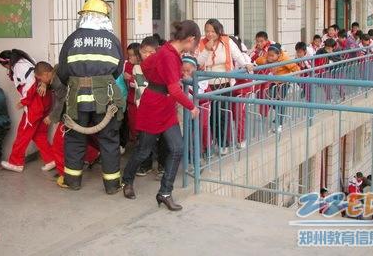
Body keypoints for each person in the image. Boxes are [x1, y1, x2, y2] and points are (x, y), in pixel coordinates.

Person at [122, 20, 201, 211]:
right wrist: (191, 107)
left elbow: (149, 67)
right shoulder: (167, 54)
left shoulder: (169, 52)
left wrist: (164, 79)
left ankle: (165, 192)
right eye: (195, 43)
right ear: (190, 39)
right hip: (154, 106)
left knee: (177, 148)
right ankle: (127, 180)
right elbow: (173, 89)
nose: (194, 48)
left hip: (165, 105)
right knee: (143, 150)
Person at [57, 0, 125, 193]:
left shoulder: (72, 39)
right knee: (109, 140)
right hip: (106, 99)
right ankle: (112, 185)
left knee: (75, 140)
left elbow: (62, 71)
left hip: (76, 99)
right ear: (104, 18)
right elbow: (118, 70)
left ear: (84, 17)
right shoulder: (113, 40)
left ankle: (72, 181)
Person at [34, 61, 100, 178]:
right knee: (76, 139)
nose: (39, 81)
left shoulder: (58, 82)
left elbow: (61, 101)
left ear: (46, 74)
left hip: (71, 114)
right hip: (81, 110)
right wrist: (45, 84)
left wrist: (52, 116)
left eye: (40, 79)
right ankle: (93, 155)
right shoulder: (58, 70)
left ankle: (64, 175)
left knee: (58, 146)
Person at [197, 19, 252, 155]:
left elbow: (237, 55)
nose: (209, 34)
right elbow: (198, 63)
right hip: (208, 85)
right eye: (207, 31)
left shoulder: (226, 41)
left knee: (222, 114)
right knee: (211, 115)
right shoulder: (201, 43)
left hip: (225, 83)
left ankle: (223, 143)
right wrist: (207, 50)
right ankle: (215, 141)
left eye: (212, 31)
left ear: (218, 31)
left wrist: (246, 64)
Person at [0, 49, 55, 173]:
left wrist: (24, 101)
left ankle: (16, 162)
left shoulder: (19, 67)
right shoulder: (27, 61)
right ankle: (51, 159)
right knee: (39, 134)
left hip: (35, 104)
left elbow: (30, 85)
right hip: (45, 101)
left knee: (22, 134)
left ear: (7, 64)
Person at [256, 43, 300, 133]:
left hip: (284, 83)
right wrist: (266, 60)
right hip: (274, 81)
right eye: (269, 55)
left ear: (279, 54)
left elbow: (295, 67)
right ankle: (281, 108)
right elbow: (258, 61)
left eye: (272, 56)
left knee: (279, 102)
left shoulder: (285, 59)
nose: (270, 57)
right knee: (269, 99)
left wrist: (295, 75)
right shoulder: (268, 56)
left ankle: (279, 124)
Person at [134, 36, 161, 177]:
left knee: (162, 139)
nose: (148, 55)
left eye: (151, 52)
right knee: (144, 140)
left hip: (160, 109)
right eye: (145, 52)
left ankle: (162, 166)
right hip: (144, 109)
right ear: (140, 52)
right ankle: (146, 165)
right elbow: (141, 88)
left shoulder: (162, 66)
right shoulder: (137, 68)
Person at [124, 43, 141, 144]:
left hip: (142, 102)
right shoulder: (128, 65)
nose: (130, 58)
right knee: (133, 124)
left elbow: (142, 83)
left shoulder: (144, 65)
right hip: (132, 101)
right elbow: (130, 84)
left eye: (133, 55)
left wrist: (131, 78)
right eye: (129, 55)